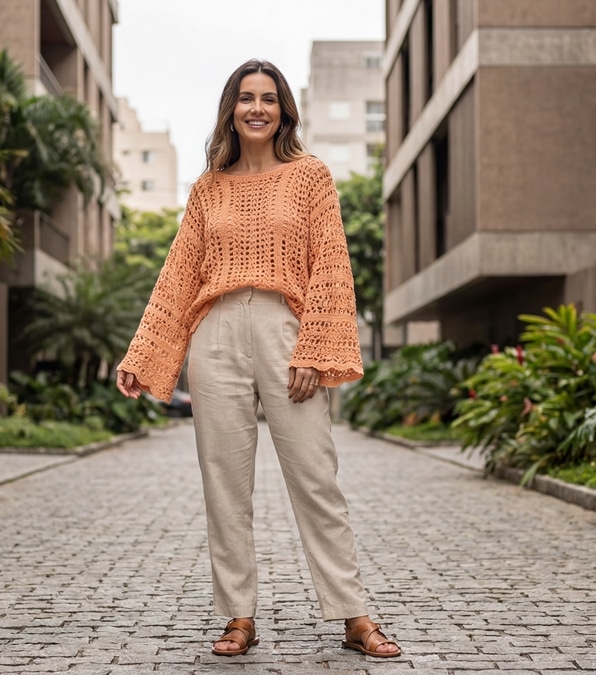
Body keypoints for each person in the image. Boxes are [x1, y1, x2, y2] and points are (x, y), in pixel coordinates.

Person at [115, 59, 401, 659]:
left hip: (285, 329)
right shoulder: (207, 189)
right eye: (246, 98)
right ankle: (238, 616)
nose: (257, 109)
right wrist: (144, 350)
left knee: (316, 478)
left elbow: (331, 266)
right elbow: (178, 274)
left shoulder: (310, 178)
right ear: (231, 109)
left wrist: (315, 348)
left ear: (283, 111)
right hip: (215, 334)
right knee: (224, 484)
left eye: (268, 99)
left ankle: (353, 613)